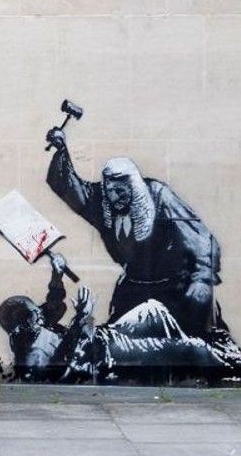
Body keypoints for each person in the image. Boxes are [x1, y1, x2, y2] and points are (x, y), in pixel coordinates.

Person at [45, 127, 225, 339]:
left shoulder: (159, 197)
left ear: (133, 186)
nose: (114, 198)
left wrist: (201, 280)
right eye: (109, 191)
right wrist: (61, 149)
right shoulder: (102, 202)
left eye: (120, 191)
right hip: (133, 289)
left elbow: (201, 240)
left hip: (175, 291)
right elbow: (69, 187)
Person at [0, 266, 241, 385]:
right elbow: (57, 374)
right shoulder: (31, 352)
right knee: (190, 348)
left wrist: (57, 272)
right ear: (20, 325)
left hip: (104, 337)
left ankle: (223, 359)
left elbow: (54, 304)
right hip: (106, 354)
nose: (41, 315)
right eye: (34, 314)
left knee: (153, 310)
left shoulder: (35, 326)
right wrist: (80, 319)